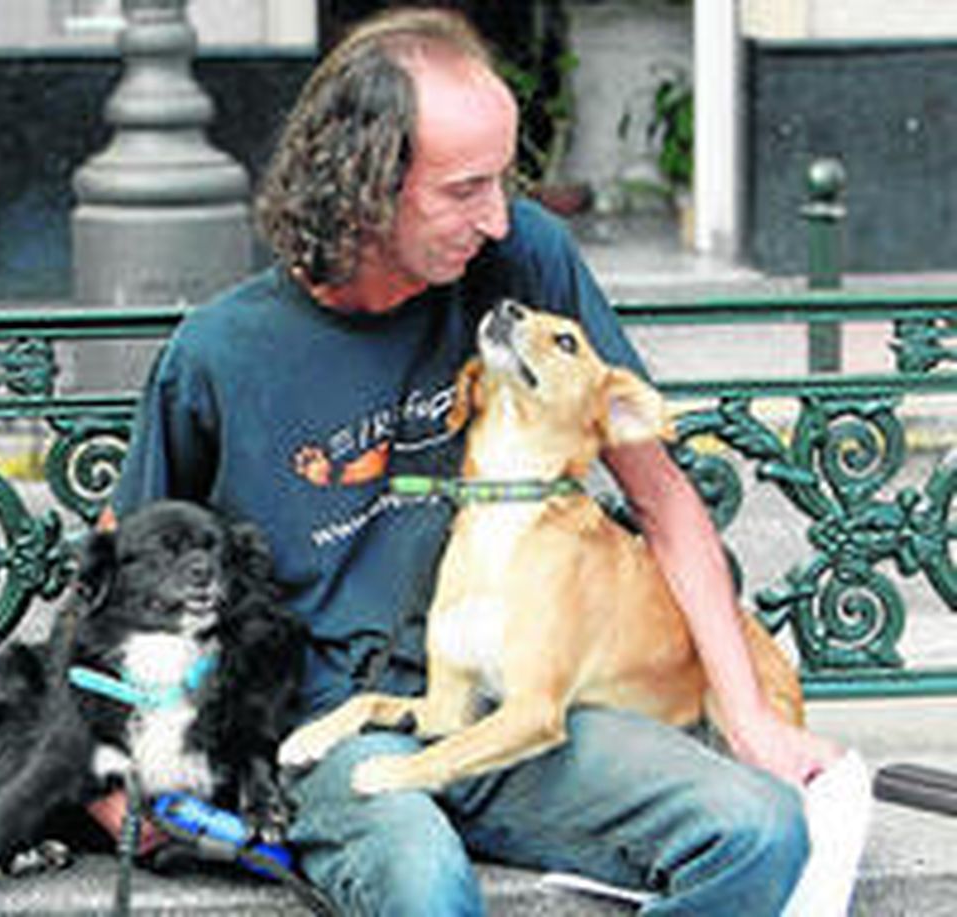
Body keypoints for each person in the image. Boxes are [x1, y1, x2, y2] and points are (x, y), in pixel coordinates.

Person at [109, 9, 840, 915]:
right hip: (338, 734)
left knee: (758, 826)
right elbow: (112, 576)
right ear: (364, 184)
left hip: (517, 711)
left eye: (502, 180)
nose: (496, 216)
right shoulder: (221, 355)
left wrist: (755, 720)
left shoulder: (521, 257)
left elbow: (665, 501)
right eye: (463, 189)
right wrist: (109, 773)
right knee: (423, 876)